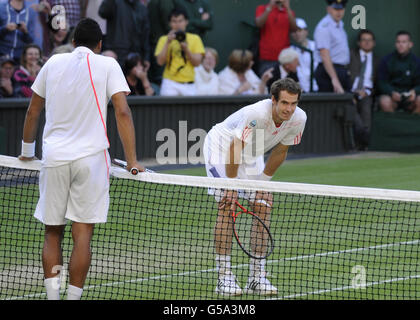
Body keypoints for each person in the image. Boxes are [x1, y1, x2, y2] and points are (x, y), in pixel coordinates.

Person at [18, 18, 144, 300]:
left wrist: (27, 152)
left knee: (52, 233)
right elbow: (122, 112)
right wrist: (132, 160)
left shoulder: (52, 63)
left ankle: (53, 298)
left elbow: (32, 111)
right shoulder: (108, 64)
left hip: (54, 158)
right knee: (82, 233)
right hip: (91, 162)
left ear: (73, 42)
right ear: (99, 45)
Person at [203, 78, 307, 296]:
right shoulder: (257, 114)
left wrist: (264, 183)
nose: (289, 109)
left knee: (263, 206)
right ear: (273, 100)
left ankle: (257, 277)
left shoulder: (299, 119)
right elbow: (235, 147)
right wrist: (231, 185)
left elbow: (280, 151)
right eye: (285, 103)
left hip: (252, 152)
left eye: (293, 103)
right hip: (222, 148)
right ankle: (224, 278)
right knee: (227, 206)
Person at [155, 8, 205, 96]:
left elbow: (197, 63)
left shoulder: (195, 38)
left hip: (189, 84)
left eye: (180, 21)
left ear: (186, 22)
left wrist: (186, 49)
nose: (177, 24)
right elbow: (159, 62)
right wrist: (168, 42)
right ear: (170, 23)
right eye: (174, 21)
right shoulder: (164, 39)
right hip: (169, 83)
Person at [349, 29, 379, 150]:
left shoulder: (377, 61)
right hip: (350, 92)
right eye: (364, 40)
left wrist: (367, 92)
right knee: (352, 110)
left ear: (374, 43)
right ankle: (361, 137)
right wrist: (353, 93)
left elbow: (378, 84)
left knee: (366, 109)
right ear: (358, 43)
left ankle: (364, 145)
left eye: (369, 40)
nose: (366, 43)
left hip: (367, 94)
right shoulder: (350, 54)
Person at [377, 31, 420, 114]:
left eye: (404, 42)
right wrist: (391, 92)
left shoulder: (417, 62)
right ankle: (392, 125)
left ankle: (411, 125)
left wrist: (414, 92)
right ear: (395, 44)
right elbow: (381, 83)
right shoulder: (386, 60)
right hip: (392, 96)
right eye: (398, 42)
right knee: (384, 101)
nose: (400, 44)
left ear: (410, 44)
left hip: (410, 97)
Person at [99, 0, 151, 67]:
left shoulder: (142, 8)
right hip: (116, 54)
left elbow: (145, 35)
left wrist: (146, 57)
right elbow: (102, 12)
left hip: (135, 57)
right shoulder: (115, 3)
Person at [314, 0, 350, 93]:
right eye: (335, 9)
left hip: (341, 71)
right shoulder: (324, 27)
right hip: (328, 73)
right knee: (329, 106)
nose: (339, 12)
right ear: (328, 9)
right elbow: (324, 56)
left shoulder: (340, 25)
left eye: (341, 9)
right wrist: (334, 79)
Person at [255, 0, 297, 77]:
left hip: (285, 58)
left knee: (286, 85)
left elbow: (294, 29)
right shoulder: (262, 8)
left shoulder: (289, 12)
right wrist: (270, 7)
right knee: (267, 84)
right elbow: (259, 24)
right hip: (267, 57)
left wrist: (287, 8)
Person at [291, 17, 319, 92]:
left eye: (300, 30)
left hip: (317, 88)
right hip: (300, 91)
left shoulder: (316, 46)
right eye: (294, 31)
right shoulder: (290, 50)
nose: (297, 34)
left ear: (306, 31)